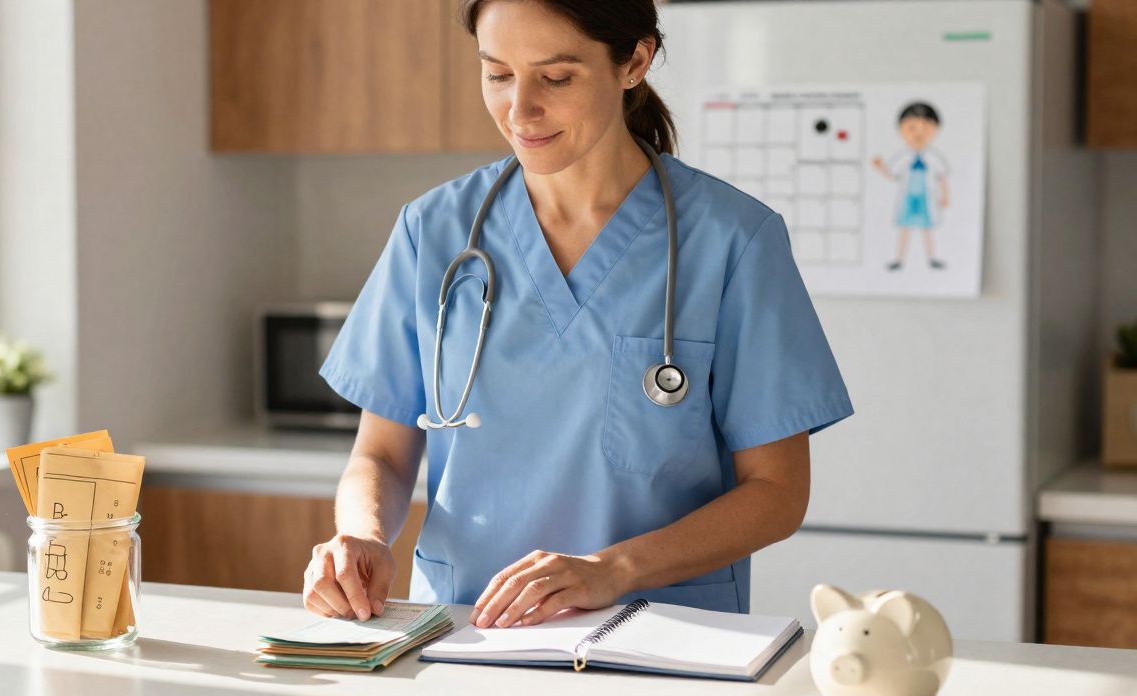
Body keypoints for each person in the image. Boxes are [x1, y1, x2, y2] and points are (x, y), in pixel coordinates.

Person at [303, 0, 854, 630]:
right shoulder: (432, 232)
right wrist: (362, 535)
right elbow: (383, 454)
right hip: (464, 631)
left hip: (660, 635)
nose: (519, 109)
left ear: (635, 61)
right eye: (497, 74)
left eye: (556, 78)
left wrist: (612, 569)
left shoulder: (734, 241)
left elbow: (776, 494)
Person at [871, 102, 951, 271]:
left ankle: (932, 258)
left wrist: (945, 196)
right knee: (905, 228)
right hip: (908, 197)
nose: (918, 133)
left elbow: (941, 177)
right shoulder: (904, 156)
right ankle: (899, 259)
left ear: (935, 130)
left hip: (925, 198)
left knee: (927, 229)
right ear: (901, 130)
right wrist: (881, 168)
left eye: (925, 127)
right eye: (912, 127)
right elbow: (893, 174)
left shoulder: (934, 157)